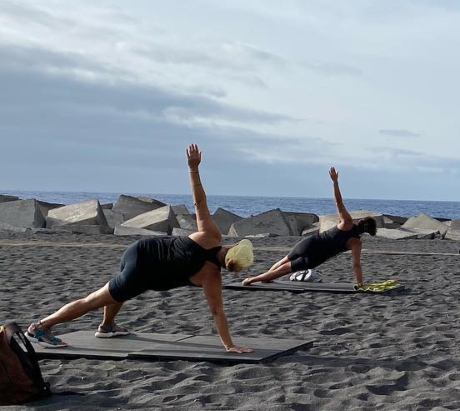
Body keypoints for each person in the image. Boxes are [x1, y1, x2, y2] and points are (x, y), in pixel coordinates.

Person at [27, 145, 256, 353]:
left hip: (138, 250)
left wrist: (193, 168)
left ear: (232, 246)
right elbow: (217, 313)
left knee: (117, 290)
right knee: (93, 300)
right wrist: (229, 345)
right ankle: (40, 327)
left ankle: (107, 327)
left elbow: (199, 202)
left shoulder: (210, 235)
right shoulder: (211, 276)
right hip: (142, 273)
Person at [241, 167, 377, 287]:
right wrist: (360, 284)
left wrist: (335, 182)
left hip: (309, 242)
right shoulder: (356, 243)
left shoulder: (347, 221)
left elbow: (338, 202)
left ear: (361, 221)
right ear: (368, 232)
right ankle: (251, 280)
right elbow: (356, 265)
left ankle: (264, 278)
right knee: (283, 270)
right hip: (314, 257)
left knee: (283, 261)